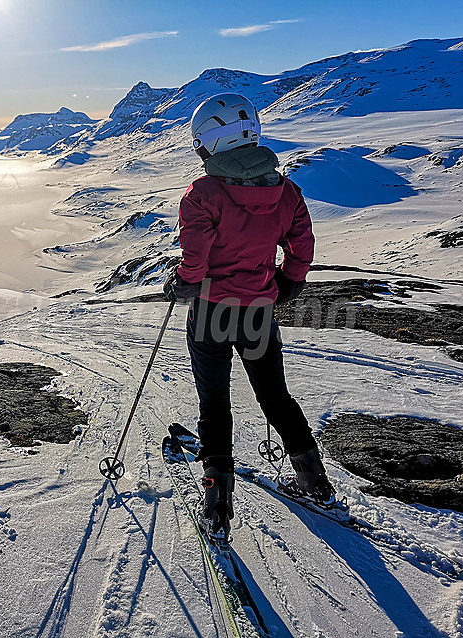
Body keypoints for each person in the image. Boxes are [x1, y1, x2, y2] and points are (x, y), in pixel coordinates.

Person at [163, 92, 335, 540]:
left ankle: (218, 500)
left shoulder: (202, 194)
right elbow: (301, 245)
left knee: (215, 404)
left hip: (210, 315)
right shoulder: (286, 191)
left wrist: (183, 283)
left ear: (211, 142)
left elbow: (195, 257)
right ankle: (314, 478)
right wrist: (288, 282)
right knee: (275, 397)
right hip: (259, 310)